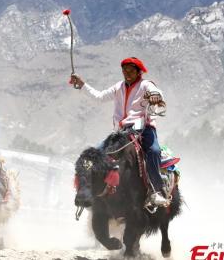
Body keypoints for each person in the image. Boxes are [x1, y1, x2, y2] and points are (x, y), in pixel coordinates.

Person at [70, 57, 169, 206]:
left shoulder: (146, 85)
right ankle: (86, 191)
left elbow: (156, 91)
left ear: (139, 72)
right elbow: (99, 97)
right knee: (93, 154)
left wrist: (156, 96)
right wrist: (82, 85)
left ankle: (155, 191)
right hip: (121, 132)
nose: (127, 74)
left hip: (143, 129)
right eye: (124, 71)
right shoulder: (118, 87)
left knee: (154, 151)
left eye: (130, 71)